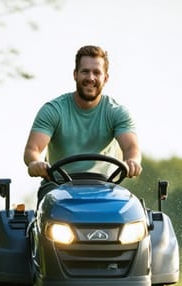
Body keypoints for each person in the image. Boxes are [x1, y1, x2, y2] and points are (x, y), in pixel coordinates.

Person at [23, 45, 142, 203]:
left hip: (106, 187)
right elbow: (33, 149)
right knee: (50, 209)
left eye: (96, 72)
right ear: (75, 75)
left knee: (134, 214)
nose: (91, 78)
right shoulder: (54, 110)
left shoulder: (116, 112)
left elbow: (131, 148)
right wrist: (35, 163)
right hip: (58, 188)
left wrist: (132, 161)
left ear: (105, 78)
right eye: (85, 71)